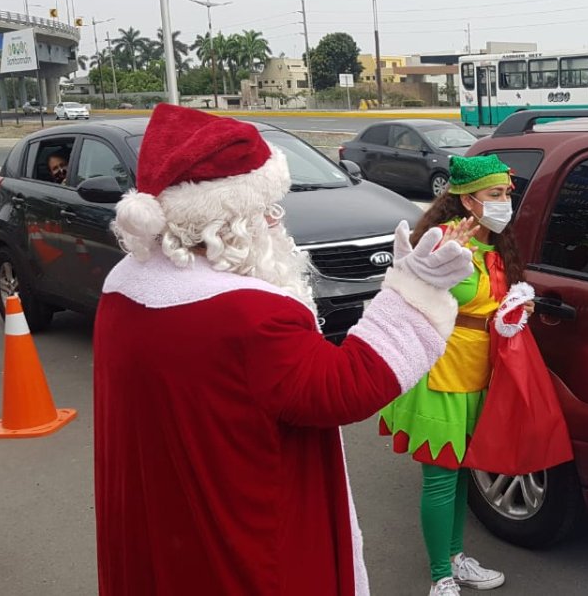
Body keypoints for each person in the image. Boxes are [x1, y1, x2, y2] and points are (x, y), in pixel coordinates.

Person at [93, 104, 476, 596]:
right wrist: (413, 295)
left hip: (164, 518)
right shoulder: (249, 316)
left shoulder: (124, 286)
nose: (277, 220)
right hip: (246, 538)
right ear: (225, 220)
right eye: (266, 209)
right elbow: (344, 389)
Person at [378, 154, 529, 596]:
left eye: (507, 194)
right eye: (494, 195)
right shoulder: (442, 241)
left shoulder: (495, 246)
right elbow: (409, 294)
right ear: (466, 200)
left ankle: (457, 558)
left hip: (480, 371)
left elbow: (490, 309)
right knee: (442, 477)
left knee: (463, 471)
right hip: (441, 374)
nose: (504, 203)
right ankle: (440, 577)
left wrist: (514, 311)